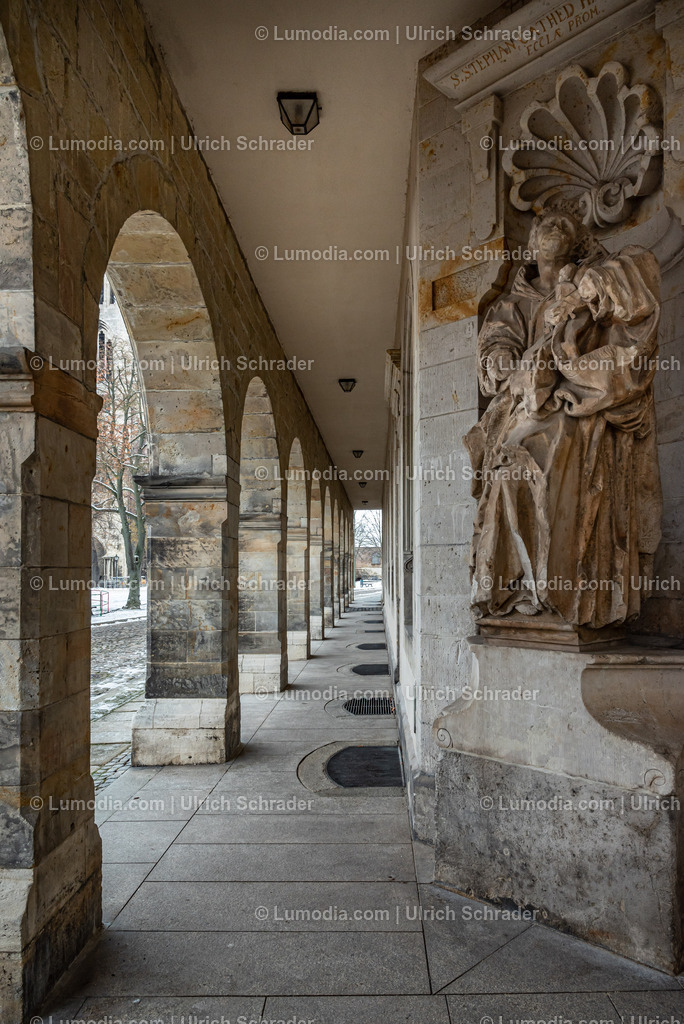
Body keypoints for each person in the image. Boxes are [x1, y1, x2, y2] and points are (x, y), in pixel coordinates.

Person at [465, 208, 662, 629]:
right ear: (532, 245)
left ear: (578, 241)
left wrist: (586, 292)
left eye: (564, 224)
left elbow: (640, 269)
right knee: (513, 461)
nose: (553, 226)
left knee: (549, 452)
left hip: (583, 404)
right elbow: (495, 347)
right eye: (544, 224)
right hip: (529, 402)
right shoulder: (513, 302)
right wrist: (505, 364)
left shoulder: (600, 276)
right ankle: (520, 586)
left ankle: (565, 590)